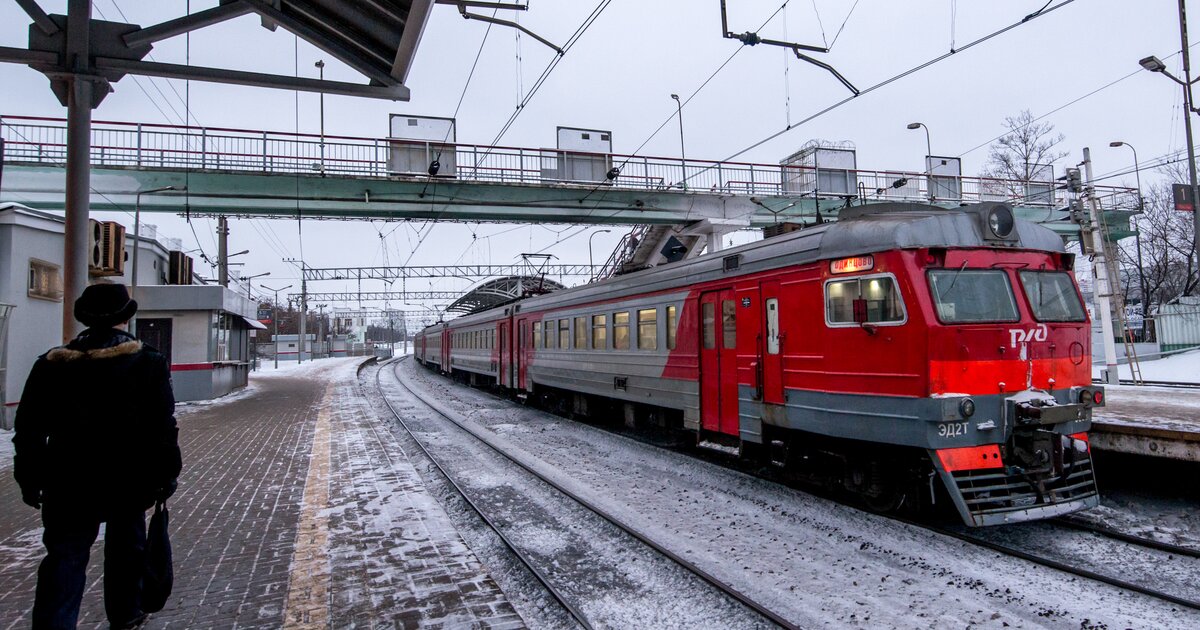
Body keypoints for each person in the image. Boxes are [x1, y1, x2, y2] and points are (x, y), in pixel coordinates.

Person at [12, 283, 181, 630]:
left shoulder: (50, 364)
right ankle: (126, 614)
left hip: (67, 482)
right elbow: (162, 428)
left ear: (83, 319)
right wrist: (166, 475)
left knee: (64, 559)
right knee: (126, 554)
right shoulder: (147, 362)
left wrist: (29, 478)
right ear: (126, 317)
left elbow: (28, 430)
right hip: (128, 479)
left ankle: (54, 623)